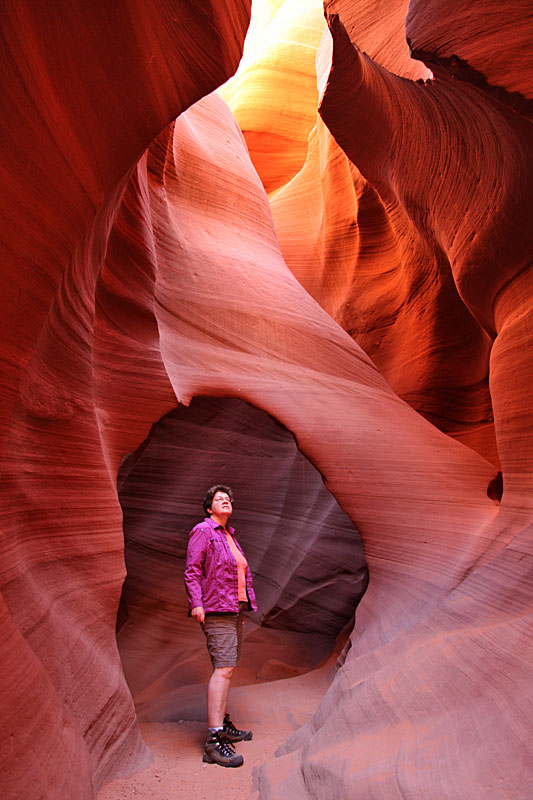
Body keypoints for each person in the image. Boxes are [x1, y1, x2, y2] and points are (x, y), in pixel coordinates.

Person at [184, 484, 258, 767]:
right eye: (219, 499)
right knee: (223, 668)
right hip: (216, 608)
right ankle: (214, 740)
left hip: (232, 608)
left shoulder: (228, 535)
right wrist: (196, 603)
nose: (225, 501)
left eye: (228, 498)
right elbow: (192, 570)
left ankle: (222, 724)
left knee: (228, 667)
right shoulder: (203, 531)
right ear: (208, 508)